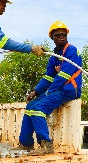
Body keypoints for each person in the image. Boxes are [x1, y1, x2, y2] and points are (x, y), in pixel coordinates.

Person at [15, 21, 82, 155]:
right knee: (30, 107)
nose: (61, 37)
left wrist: (49, 92)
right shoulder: (54, 56)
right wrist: (36, 92)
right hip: (57, 90)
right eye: (58, 35)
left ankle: (46, 145)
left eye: (64, 34)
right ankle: (26, 143)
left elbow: (64, 75)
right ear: (52, 38)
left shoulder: (71, 51)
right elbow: (49, 77)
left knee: (38, 109)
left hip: (69, 89)